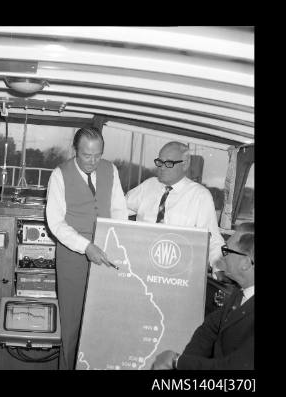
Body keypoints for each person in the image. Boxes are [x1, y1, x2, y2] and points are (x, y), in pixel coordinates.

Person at [46, 127, 128, 369]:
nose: (93, 162)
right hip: (72, 254)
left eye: (98, 155)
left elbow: (119, 210)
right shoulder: (59, 175)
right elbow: (56, 223)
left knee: (102, 320)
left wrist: (119, 243)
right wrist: (85, 246)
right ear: (75, 151)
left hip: (106, 250)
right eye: (86, 156)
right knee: (71, 324)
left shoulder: (110, 169)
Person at [151, 223, 254, 370]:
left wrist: (177, 362)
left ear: (245, 263)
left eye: (226, 251)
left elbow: (235, 367)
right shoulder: (241, 293)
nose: (222, 257)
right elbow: (211, 328)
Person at [126, 141, 225, 272]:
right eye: (159, 162)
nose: (161, 167)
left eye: (168, 163)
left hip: (175, 268)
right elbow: (117, 209)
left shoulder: (200, 196)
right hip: (139, 261)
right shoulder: (148, 186)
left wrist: (219, 268)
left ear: (185, 164)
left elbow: (212, 239)